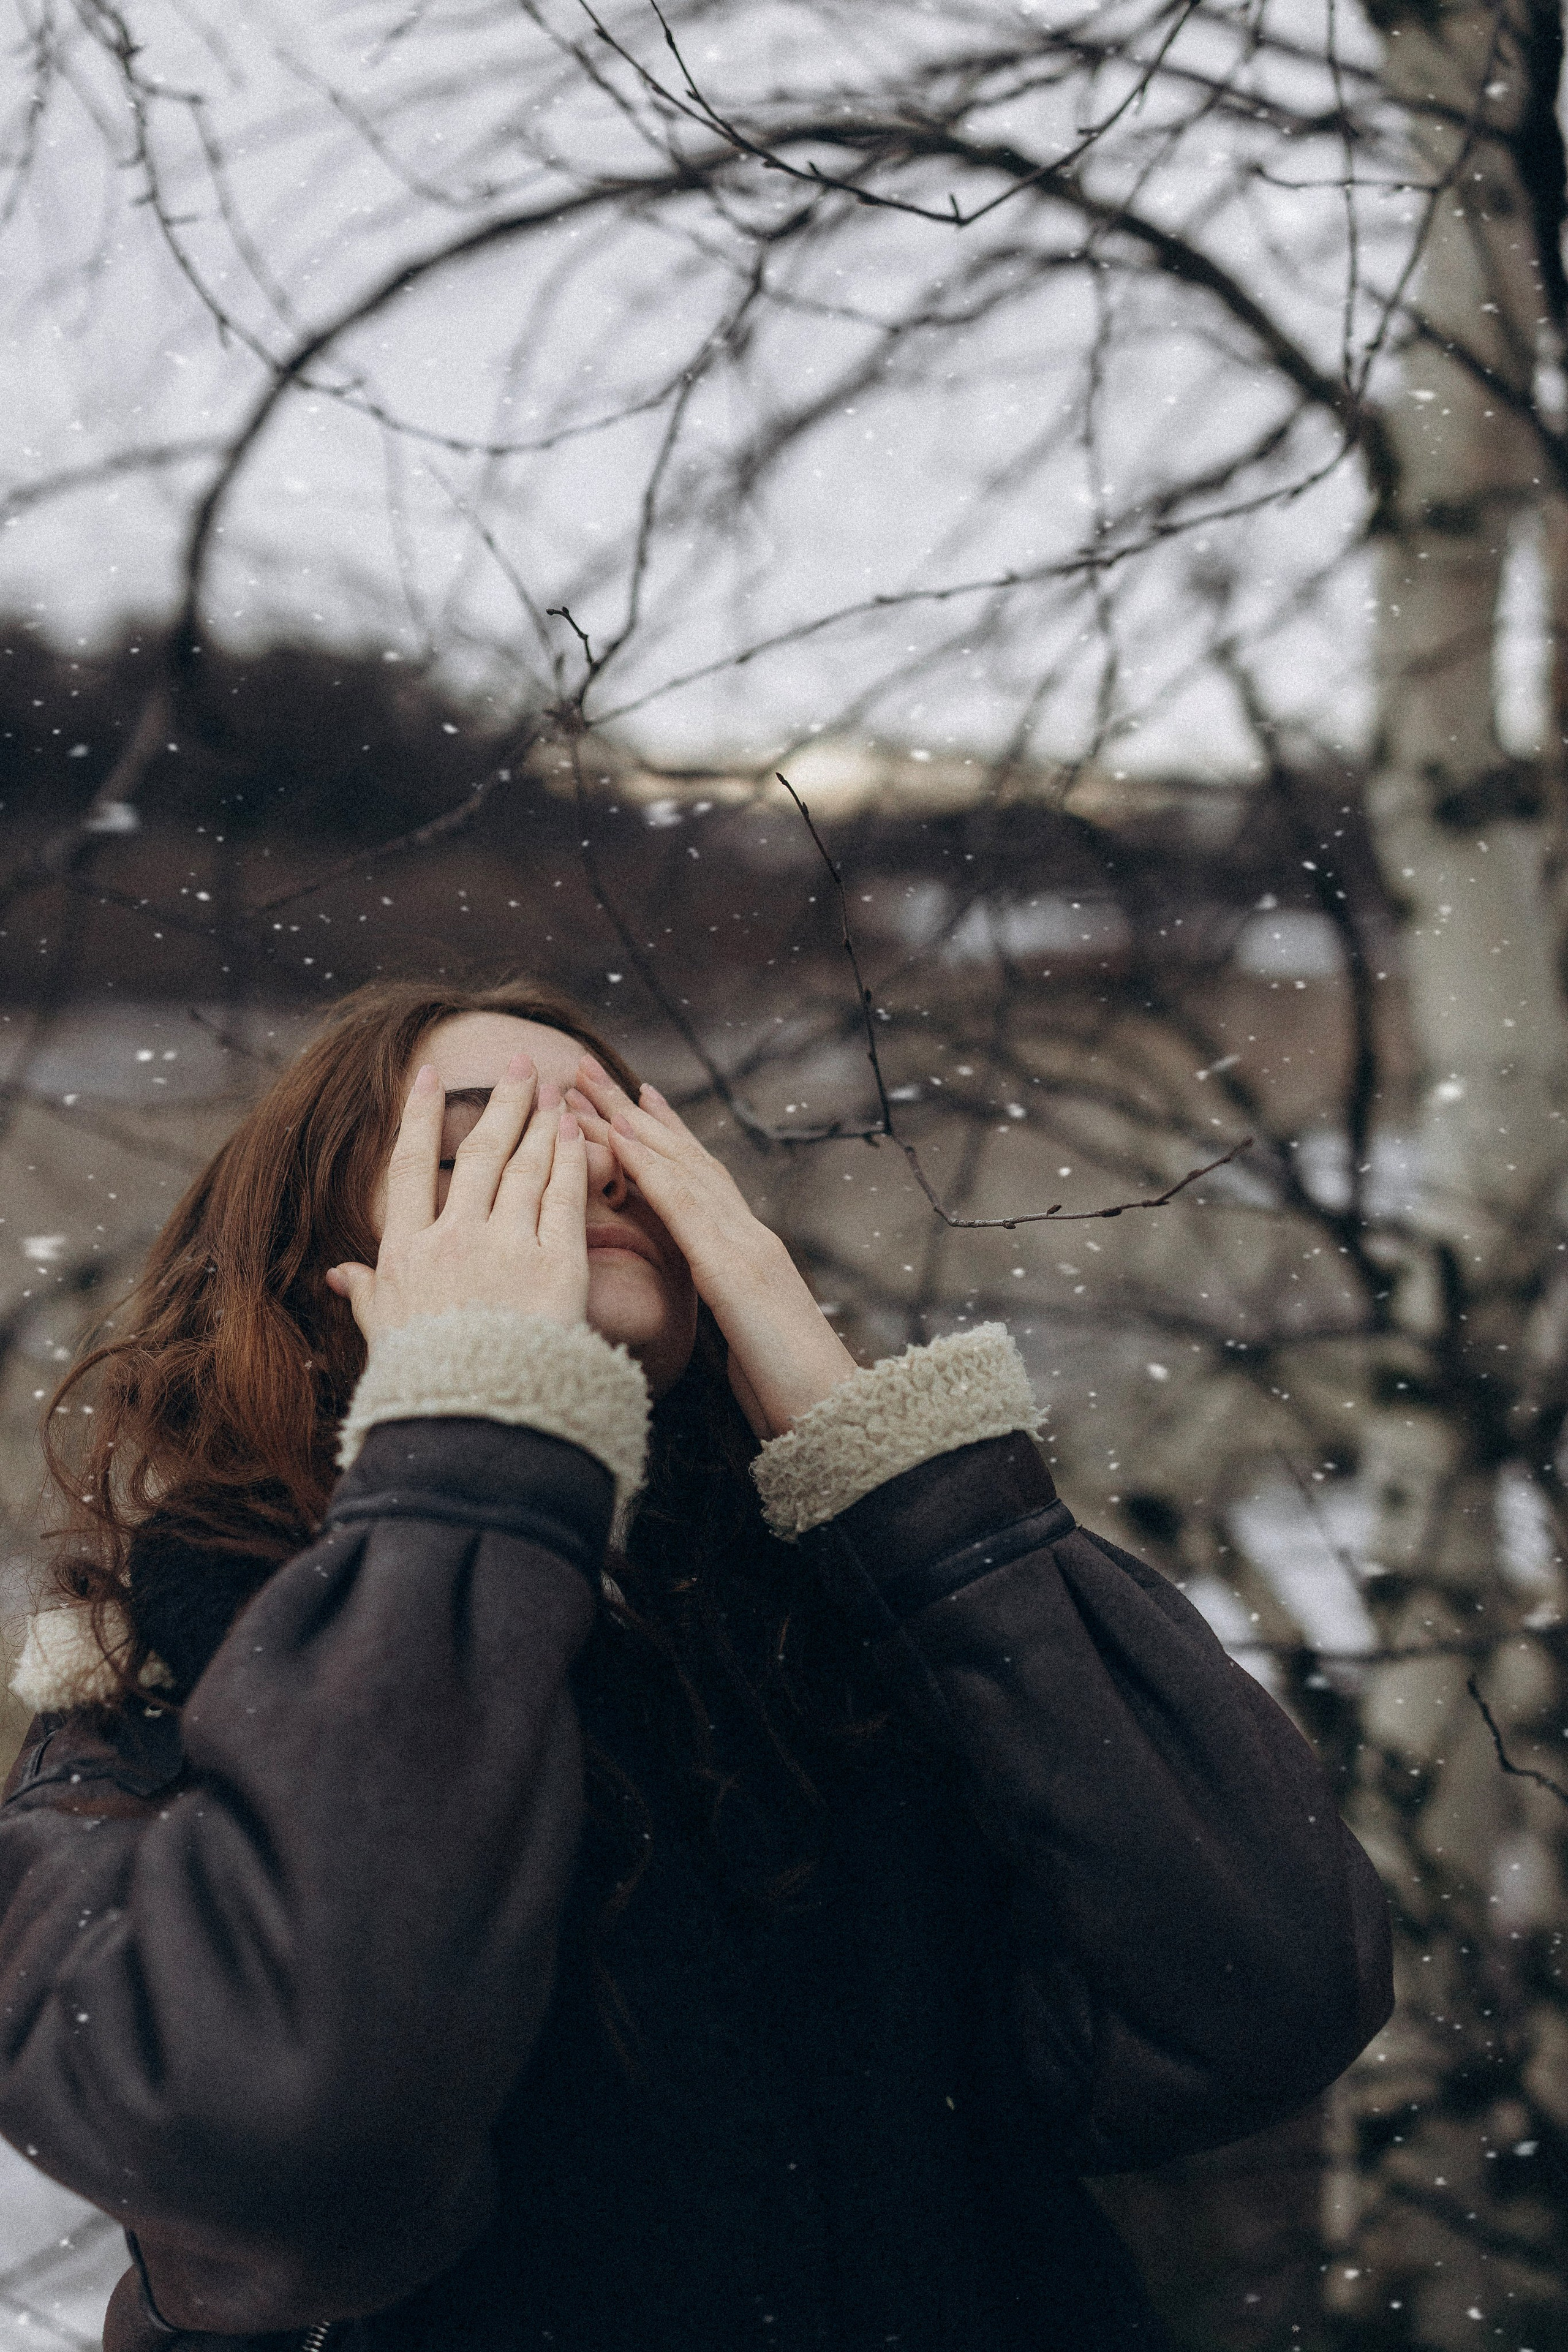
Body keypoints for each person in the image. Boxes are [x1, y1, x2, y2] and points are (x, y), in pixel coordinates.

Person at [0, 976, 1392, 2352]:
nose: (581, 1170)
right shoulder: (136, 1726)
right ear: (323, 1269)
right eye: (483, 1142)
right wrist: (474, 1429)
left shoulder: (844, 1657)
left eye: (615, 1132)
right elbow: (308, 2142)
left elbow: (1264, 1994)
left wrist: (886, 1460)